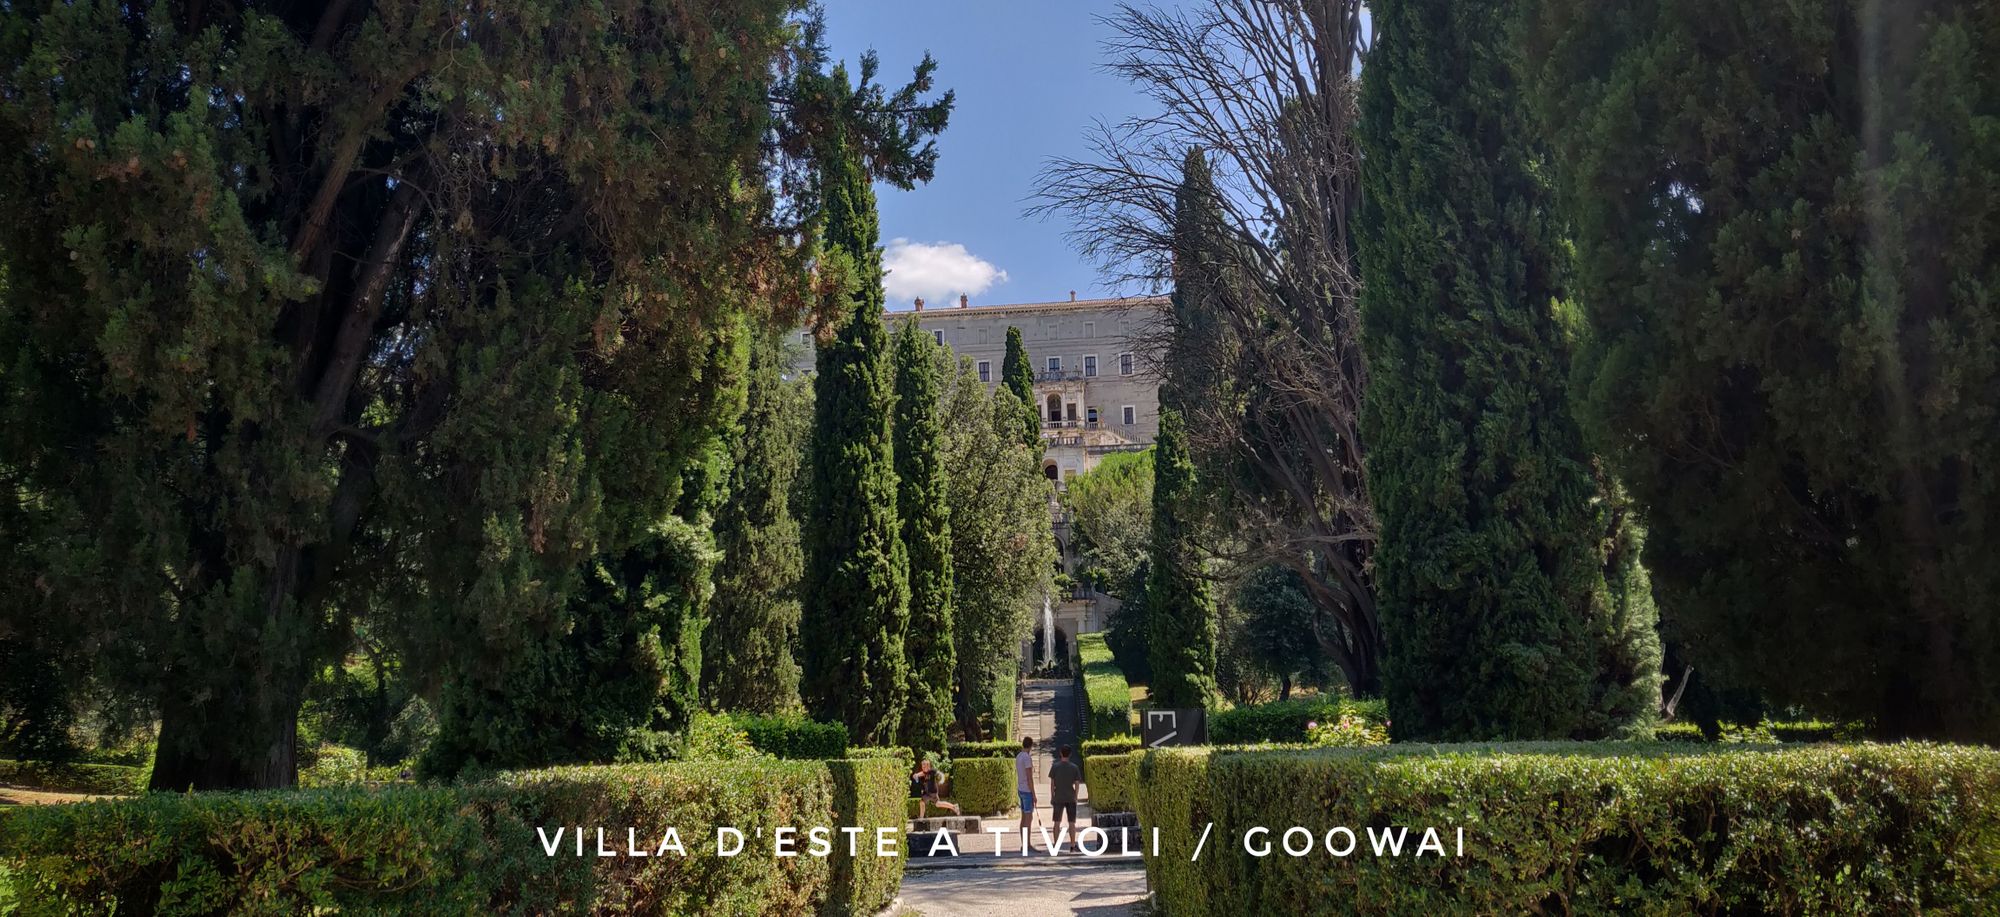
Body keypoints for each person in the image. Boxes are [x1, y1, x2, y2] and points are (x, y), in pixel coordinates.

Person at [1048, 745, 1082, 839]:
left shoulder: (1055, 767)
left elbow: (1052, 784)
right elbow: (1077, 784)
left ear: (1060, 753)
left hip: (1058, 796)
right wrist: (1075, 796)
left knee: (1056, 822)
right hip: (1070, 796)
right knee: (1071, 823)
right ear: (1070, 754)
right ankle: (1072, 845)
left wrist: (1052, 796)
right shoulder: (1074, 767)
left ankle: (1056, 844)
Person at [1016, 736, 1037, 838]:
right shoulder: (1027, 758)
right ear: (1030, 746)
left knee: (1023, 818)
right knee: (1029, 819)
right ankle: (1027, 843)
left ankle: (1023, 843)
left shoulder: (1019, 756)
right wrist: (1034, 794)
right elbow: (1029, 778)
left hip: (1020, 789)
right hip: (1027, 790)